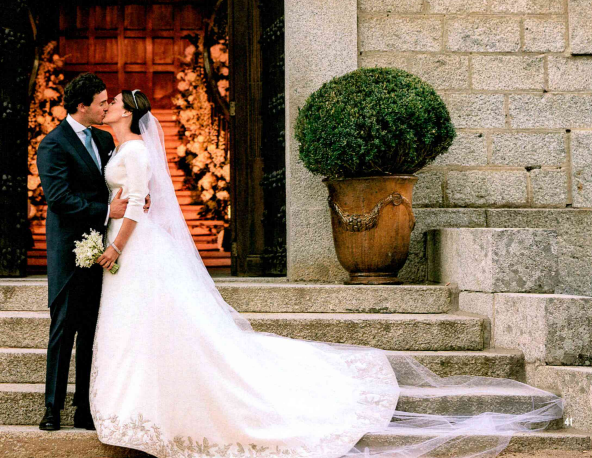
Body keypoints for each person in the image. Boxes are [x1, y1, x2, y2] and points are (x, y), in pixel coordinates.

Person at [89, 89, 563, 458]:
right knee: (139, 325)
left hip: (133, 245)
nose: (106, 106)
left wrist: (115, 246)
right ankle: (132, 404)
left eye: (112, 103)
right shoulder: (119, 148)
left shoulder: (136, 152)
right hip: (135, 248)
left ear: (128, 113)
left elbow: (138, 204)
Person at [36, 73, 131, 431]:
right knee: (63, 327)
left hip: (101, 249)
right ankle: (52, 408)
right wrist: (107, 211)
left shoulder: (105, 140)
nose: (107, 107)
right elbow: (59, 199)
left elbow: (115, 183)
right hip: (68, 250)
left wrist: (135, 198)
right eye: (102, 102)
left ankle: (84, 409)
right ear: (82, 105)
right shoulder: (53, 144)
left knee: (92, 330)